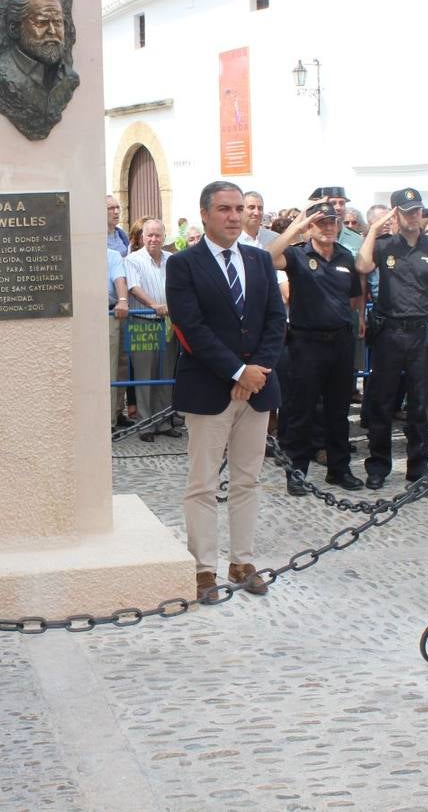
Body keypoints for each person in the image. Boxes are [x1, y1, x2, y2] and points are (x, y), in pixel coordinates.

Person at [168, 181, 285, 600]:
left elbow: (275, 319)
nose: (234, 216)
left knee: (247, 480)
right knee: (201, 483)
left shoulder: (258, 260)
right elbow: (192, 327)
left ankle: (242, 560)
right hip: (208, 389)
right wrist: (237, 371)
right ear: (204, 214)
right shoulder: (182, 264)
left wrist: (257, 371)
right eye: (224, 209)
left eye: (239, 208)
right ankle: (203, 568)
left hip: (257, 390)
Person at [355, 188, 428, 489]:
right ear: (395, 213)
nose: (415, 216)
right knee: (382, 403)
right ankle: (378, 466)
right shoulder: (384, 245)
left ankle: (418, 469)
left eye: (418, 210)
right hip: (388, 333)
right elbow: (362, 266)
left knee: (419, 406)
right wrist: (374, 228)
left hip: (423, 334)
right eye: (408, 210)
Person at [268, 201, 364, 492]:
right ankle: (296, 472)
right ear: (309, 228)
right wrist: (295, 227)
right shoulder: (297, 255)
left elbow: (354, 297)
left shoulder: (346, 257)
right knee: (300, 411)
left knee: (338, 410)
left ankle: (339, 468)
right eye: (322, 223)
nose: (329, 228)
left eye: (333, 222)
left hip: (340, 342)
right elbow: (268, 257)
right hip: (305, 343)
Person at [0, 0, 80, 139]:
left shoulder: (69, 77)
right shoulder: (3, 71)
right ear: (14, 29)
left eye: (58, 22)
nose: (52, 31)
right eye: (41, 22)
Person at [125, 218, 180, 441]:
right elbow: (134, 287)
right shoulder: (132, 260)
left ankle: (163, 421)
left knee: (166, 374)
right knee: (144, 376)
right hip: (142, 322)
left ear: (164, 237)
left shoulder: (173, 260)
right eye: (149, 235)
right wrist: (154, 306)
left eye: (158, 235)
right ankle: (146, 425)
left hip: (169, 323)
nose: (154, 239)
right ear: (142, 237)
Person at [107, 243, 130, 431]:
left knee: (115, 366)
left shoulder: (112, 255)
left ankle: (113, 415)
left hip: (111, 312)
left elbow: (120, 280)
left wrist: (123, 301)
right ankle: (106, 420)